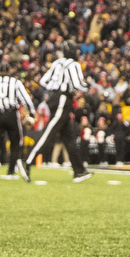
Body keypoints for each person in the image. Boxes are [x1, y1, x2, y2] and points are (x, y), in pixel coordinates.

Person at [24, 50, 91, 182]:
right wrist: (87, 87)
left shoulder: (56, 63)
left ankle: (79, 171)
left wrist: (54, 89)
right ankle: (27, 161)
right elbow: (78, 84)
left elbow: (43, 81)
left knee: (69, 137)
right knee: (49, 133)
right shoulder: (74, 64)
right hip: (63, 99)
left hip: (56, 98)